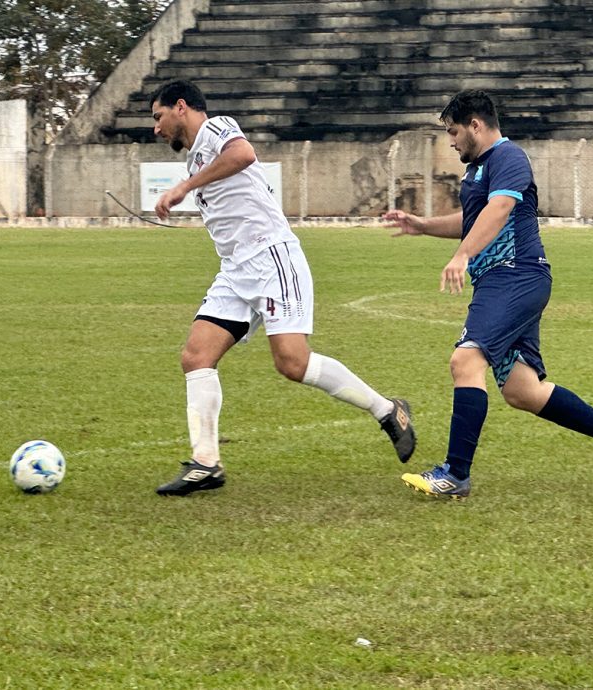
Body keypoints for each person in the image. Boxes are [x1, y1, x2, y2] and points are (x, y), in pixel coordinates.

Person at [149, 79, 415, 496]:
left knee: (292, 363)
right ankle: (206, 464)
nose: (156, 127)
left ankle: (388, 410)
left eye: (158, 116)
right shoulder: (196, 159)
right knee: (195, 356)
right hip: (236, 270)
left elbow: (243, 154)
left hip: (272, 259)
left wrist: (185, 187)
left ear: (180, 107)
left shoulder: (217, 129)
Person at [383, 89, 593, 499]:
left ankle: (455, 475)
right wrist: (423, 225)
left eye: (453, 131)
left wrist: (463, 255)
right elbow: (474, 218)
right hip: (504, 280)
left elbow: (499, 210)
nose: (450, 141)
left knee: (465, 361)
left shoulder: (508, 157)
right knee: (523, 391)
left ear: (476, 125)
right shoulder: (480, 168)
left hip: (515, 275)